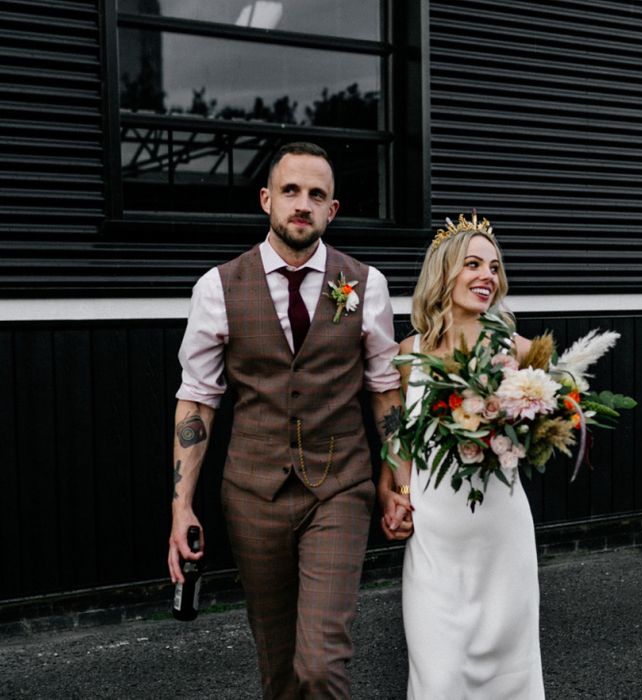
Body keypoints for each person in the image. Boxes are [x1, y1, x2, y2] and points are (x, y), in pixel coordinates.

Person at [168, 142, 412, 699]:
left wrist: (398, 479)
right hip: (252, 493)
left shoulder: (365, 284)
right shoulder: (218, 287)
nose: (303, 204)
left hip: (340, 486)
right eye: (291, 191)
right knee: (279, 671)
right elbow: (198, 400)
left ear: (333, 210)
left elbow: (384, 391)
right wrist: (182, 506)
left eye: (317, 195)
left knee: (320, 665)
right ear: (266, 199)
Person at [381, 214, 546, 698]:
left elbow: (551, 425)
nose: (486, 277)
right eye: (472, 264)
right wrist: (398, 492)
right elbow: (397, 439)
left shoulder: (521, 351)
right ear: (444, 273)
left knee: (509, 675)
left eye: (493, 267)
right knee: (438, 674)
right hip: (435, 537)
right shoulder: (407, 354)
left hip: (502, 535)